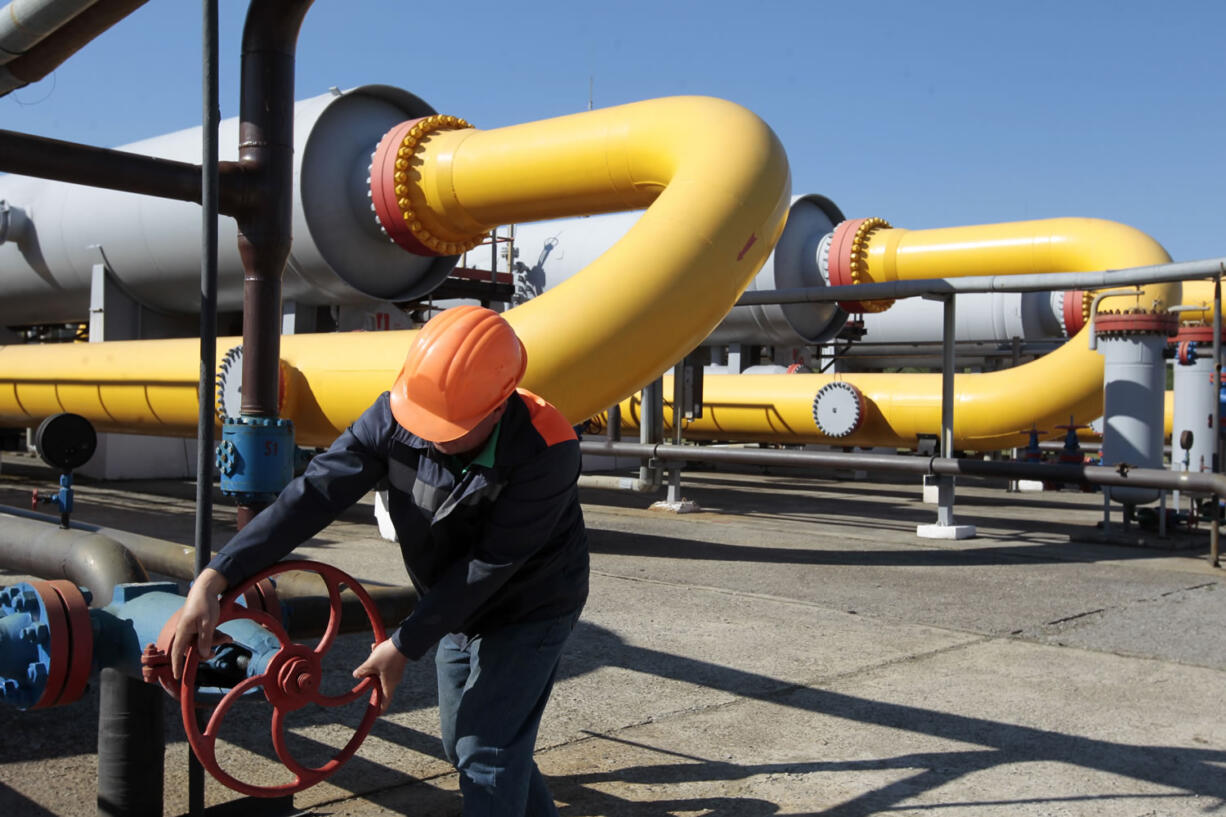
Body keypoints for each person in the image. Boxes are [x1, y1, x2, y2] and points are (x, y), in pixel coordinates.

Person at [170, 305, 589, 816]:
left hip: (531, 605)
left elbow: (491, 565)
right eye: (424, 421)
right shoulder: (394, 415)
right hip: (453, 606)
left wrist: (404, 644)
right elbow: (311, 496)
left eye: (450, 428)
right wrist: (217, 576)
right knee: (467, 742)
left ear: (499, 407)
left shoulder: (547, 447)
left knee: (487, 751)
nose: (432, 437)